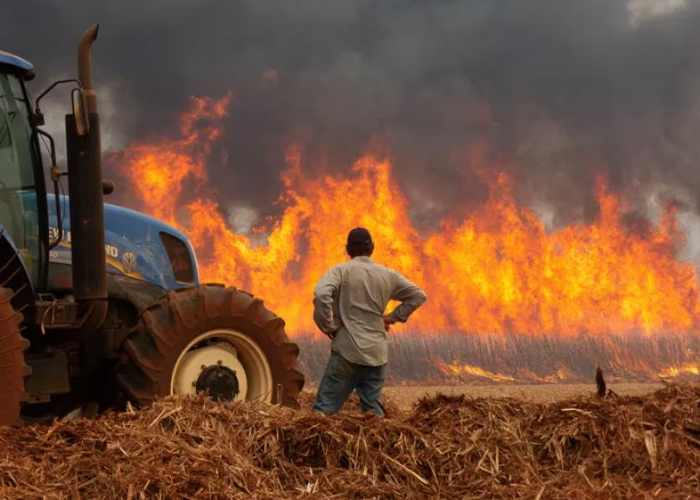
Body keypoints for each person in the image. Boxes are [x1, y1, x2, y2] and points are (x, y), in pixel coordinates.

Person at [312, 227, 427, 416]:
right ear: (372, 247)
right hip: (376, 355)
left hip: (347, 351)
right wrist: (391, 317)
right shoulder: (388, 275)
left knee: (323, 413)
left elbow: (321, 294)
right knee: (374, 418)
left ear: (347, 249)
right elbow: (418, 296)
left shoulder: (341, 271)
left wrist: (328, 326)